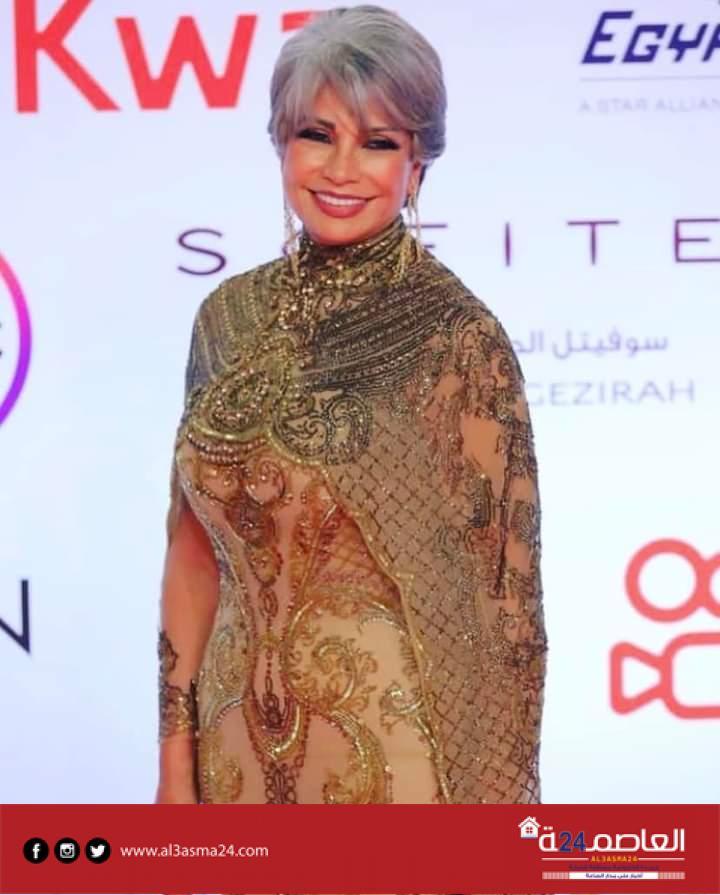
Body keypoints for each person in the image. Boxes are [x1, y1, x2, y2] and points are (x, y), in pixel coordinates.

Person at [156, 4, 547, 810]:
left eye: (378, 143)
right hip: (232, 762)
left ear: (418, 164)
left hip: (397, 768)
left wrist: (494, 821)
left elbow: (506, 612)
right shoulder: (225, 319)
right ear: (281, 142)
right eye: (317, 134)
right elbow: (192, 554)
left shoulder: (454, 336)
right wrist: (173, 763)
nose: (341, 169)